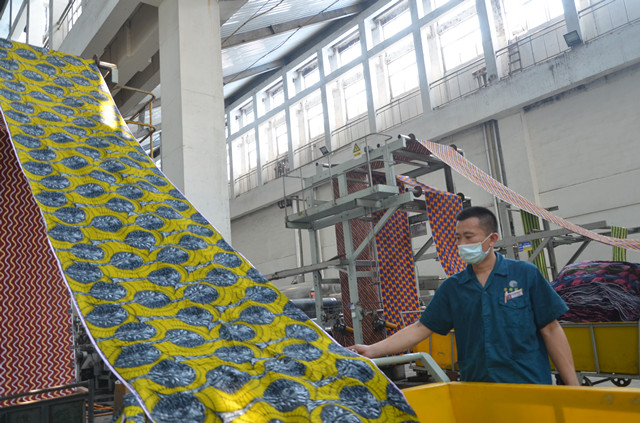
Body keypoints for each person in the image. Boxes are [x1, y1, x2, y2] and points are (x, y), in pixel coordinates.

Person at [350, 206, 579, 385]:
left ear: (492, 239)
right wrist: (372, 350)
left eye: (469, 237)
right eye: (458, 238)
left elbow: (551, 330)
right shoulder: (454, 287)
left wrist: (574, 387)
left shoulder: (525, 275)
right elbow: (421, 328)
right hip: (477, 390)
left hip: (528, 387)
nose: (462, 244)